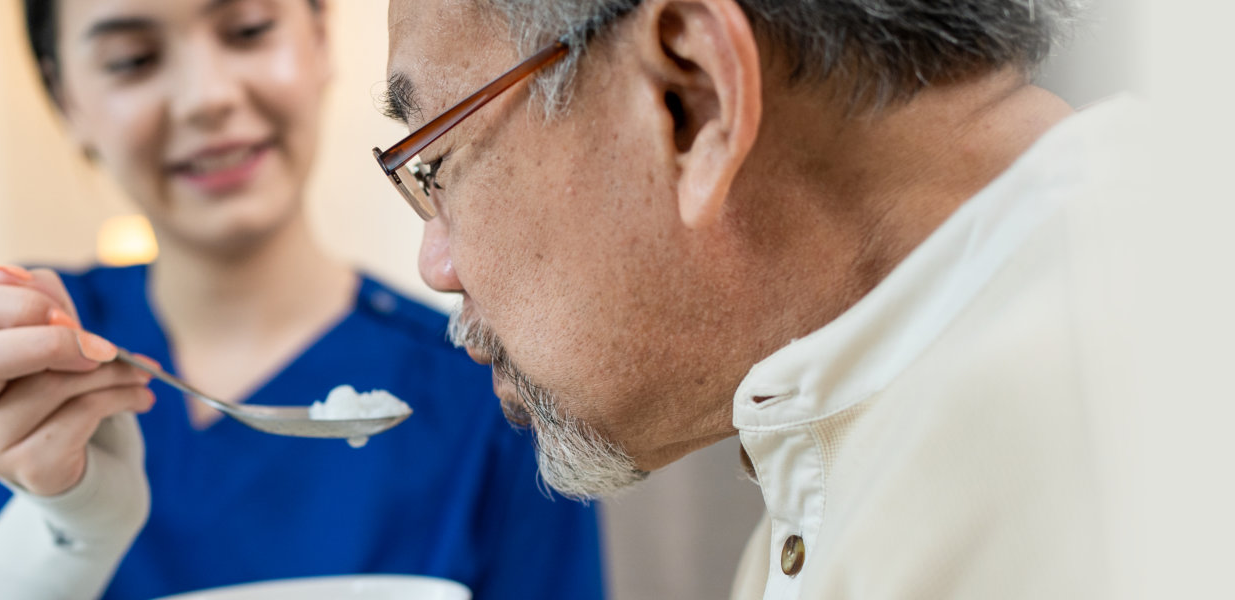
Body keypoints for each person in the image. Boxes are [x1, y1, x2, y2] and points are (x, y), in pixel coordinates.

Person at [377, 0, 1148, 597]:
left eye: (436, 163)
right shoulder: (861, 451)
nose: (435, 264)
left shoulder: (1077, 447)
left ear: (692, 97)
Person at [0, 1, 606, 598]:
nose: (207, 97)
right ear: (65, 100)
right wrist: (71, 521)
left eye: (246, 29)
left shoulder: (494, 386)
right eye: (133, 59)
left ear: (319, 38)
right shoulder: (33, 348)